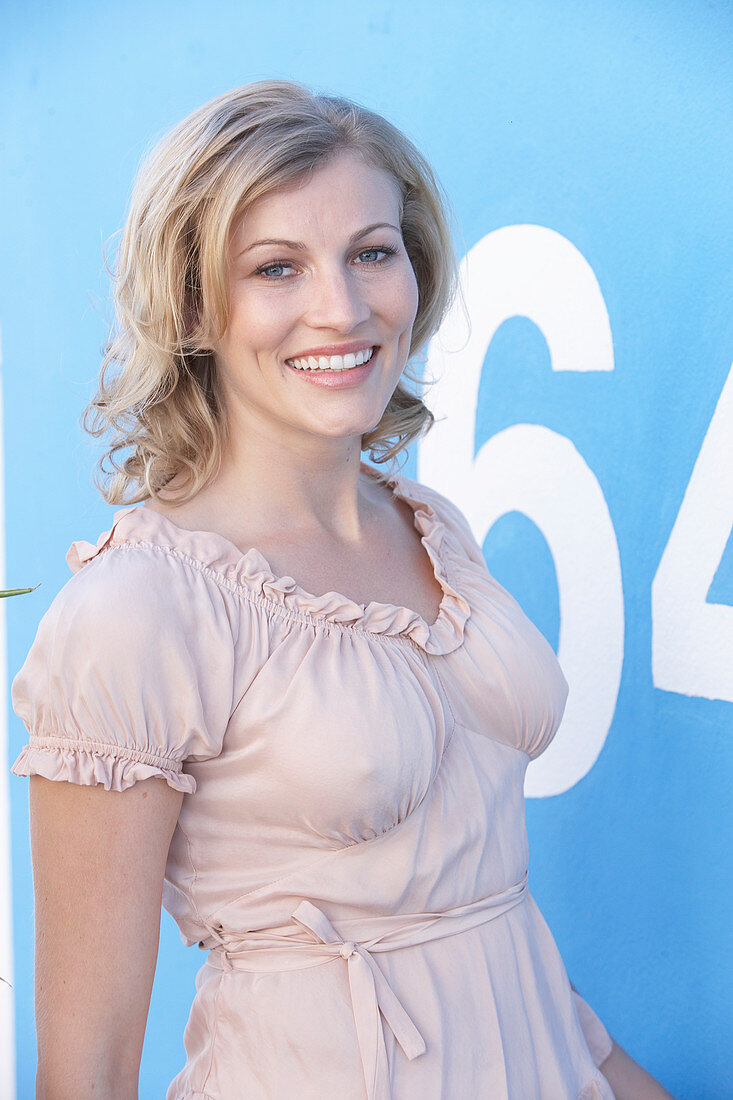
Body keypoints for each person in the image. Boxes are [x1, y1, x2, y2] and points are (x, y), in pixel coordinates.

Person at [10, 80, 675, 1100]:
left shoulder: (432, 528)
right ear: (192, 305)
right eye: (276, 267)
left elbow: (482, 917)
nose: (345, 306)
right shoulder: (137, 610)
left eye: (372, 251)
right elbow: (86, 1071)